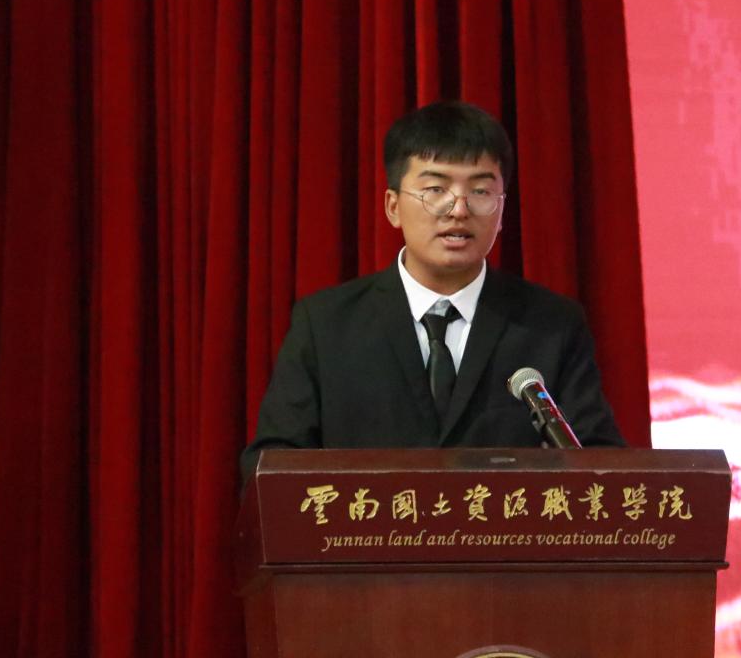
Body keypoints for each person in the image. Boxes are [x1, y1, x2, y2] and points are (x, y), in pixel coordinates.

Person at [240, 101, 624, 483]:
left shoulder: (551, 326)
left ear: (502, 210)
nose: (458, 209)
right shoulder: (326, 325)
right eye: (436, 189)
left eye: (480, 191)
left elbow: (600, 463)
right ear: (393, 206)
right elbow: (272, 466)